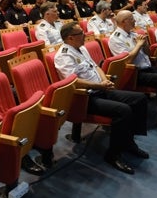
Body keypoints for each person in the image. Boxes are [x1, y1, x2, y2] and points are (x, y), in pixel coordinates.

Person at [54, 21, 148, 174]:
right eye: (81, 33)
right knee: (123, 110)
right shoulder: (63, 55)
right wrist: (99, 86)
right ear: (70, 38)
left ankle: (129, 143)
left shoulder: (81, 48)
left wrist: (104, 80)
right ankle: (113, 154)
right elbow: (73, 81)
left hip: (101, 89)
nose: (85, 35)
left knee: (139, 99)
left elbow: (96, 66)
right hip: (85, 98)